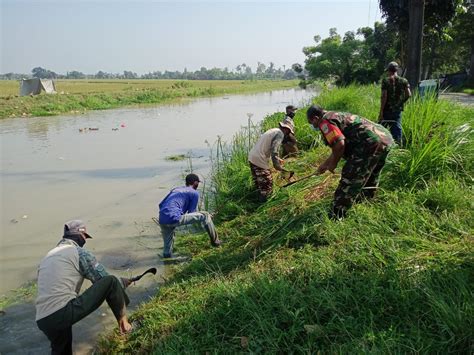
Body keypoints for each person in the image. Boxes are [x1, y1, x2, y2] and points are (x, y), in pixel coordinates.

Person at [36, 220, 132, 355]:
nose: (85, 240)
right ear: (80, 235)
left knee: (61, 350)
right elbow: (103, 280)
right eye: (85, 236)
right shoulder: (78, 252)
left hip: (43, 319)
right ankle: (125, 325)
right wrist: (121, 283)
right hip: (62, 312)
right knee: (111, 281)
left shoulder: (48, 256)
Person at [307, 105, 394, 219]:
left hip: (369, 144)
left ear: (315, 118)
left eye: (311, 122)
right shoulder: (336, 115)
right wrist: (325, 165)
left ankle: (337, 215)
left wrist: (333, 164)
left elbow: (339, 145)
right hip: (384, 139)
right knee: (371, 175)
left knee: (350, 179)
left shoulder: (324, 122)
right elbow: (336, 148)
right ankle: (365, 203)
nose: (313, 125)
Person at [157, 173, 221, 258]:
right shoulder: (194, 193)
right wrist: (209, 216)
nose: (198, 184)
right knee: (205, 215)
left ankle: (167, 262)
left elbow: (160, 205)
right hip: (174, 218)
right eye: (198, 182)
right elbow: (192, 212)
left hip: (162, 219)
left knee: (167, 250)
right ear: (195, 182)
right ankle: (216, 242)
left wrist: (169, 215)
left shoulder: (176, 189)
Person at [248, 120, 295, 202]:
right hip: (259, 160)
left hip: (252, 157)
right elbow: (274, 151)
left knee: (259, 184)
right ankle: (263, 208)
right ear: (287, 129)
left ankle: (256, 203)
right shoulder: (280, 134)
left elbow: (266, 148)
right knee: (267, 185)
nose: (288, 134)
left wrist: (278, 159)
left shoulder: (273, 130)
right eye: (289, 132)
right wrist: (278, 167)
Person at [379, 61, 411, 145]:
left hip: (387, 109)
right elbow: (409, 94)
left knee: (382, 129)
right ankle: (397, 147)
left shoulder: (385, 80)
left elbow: (384, 96)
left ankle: (382, 146)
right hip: (397, 110)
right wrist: (401, 102)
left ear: (389, 70)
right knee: (396, 129)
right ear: (396, 70)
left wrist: (381, 111)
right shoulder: (404, 81)